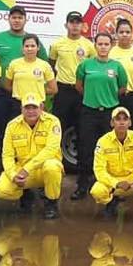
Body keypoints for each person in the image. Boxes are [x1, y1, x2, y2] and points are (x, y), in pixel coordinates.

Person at [0, 7, 48, 177]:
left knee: (20, 134)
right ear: (9, 19)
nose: (17, 20)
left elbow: (43, 64)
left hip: (25, 99)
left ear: (25, 19)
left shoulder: (33, 41)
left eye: (20, 17)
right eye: (14, 17)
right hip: (1, 94)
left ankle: (14, 169)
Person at [73, 31, 129, 199]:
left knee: (109, 150)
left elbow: (122, 89)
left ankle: (111, 186)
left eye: (106, 44)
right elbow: (79, 86)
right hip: (89, 111)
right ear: (95, 45)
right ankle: (82, 185)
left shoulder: (117, 67)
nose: (103, 47)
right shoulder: (85, 65)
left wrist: (107, 99)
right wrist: (92, 97)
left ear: (111, 45)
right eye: (100, 44)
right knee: (86, 149)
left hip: (110, 114)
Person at [0, 94, 64, 219]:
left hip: (44, 168)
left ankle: (51, 203)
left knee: (52, 167)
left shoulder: (53, 122)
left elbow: (51, 149)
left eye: (34, 107)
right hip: (23, 170)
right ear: (21, 109)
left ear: (41, 107)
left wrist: (27, 169)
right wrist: (13, 175)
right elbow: (7, 155)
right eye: (27, 108)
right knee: (1, 190)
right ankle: (26, 193)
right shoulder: (12, 125)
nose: (31, 111)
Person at [90, 106, 133, 219]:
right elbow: (99, 170)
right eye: (118, 119)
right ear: (112, 123)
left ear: (130, 122)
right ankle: (111, 203)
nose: (121, 122)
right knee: (97, 191)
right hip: (113, 182)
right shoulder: (103, 142)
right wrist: (116, 183)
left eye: (125, 119)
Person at [49, 10, 95, 160]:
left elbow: (94, 68)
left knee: (82, 128)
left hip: (81, 91)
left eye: (78, 23)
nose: (75, 26)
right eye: (72, 22)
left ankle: (83, 171)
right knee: (57, 128)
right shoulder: (57, 44)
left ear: (82, 26)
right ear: (66, 25)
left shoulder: (88, 45)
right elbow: (51, 65)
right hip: (62, 91)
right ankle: (54, 165)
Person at [4, 33, 56, 106]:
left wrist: (35, 93)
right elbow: (7, 86)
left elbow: (53, 89)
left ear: (38, 47)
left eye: (33, 46)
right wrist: (21, 93)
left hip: (37, 104)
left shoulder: (45, 65)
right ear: (22, 48)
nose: (29, 49)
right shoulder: (14, 64)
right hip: (18, 104)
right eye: (27, 46)